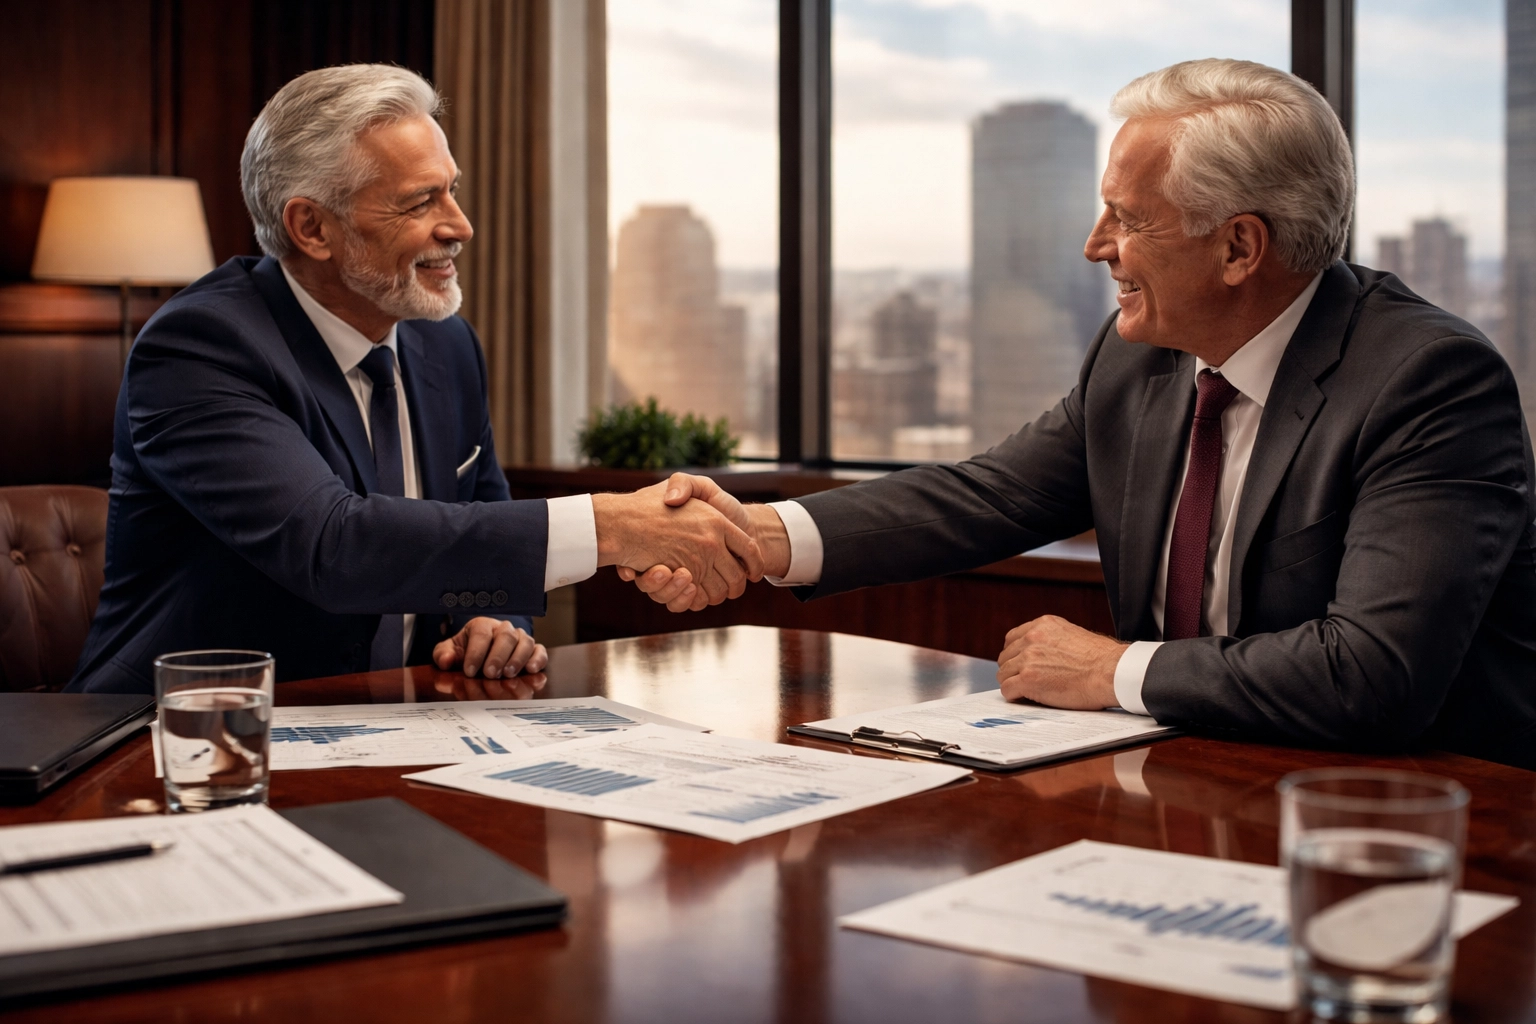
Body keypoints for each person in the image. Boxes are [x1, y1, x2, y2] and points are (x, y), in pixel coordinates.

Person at [638, 58, 1536, 769]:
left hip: (1422, 823)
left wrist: (1113, 669)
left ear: (1239, 246)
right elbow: (986, 495)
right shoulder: (1139, 355)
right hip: (1192, 779)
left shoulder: (1430, 381)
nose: (1094, 246)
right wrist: (758, 534)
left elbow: (1372, 675)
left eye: (1127, 218)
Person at [67, 64, 761, 694]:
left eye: (451, 191)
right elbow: (334, 546)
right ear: (312, 227)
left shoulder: (445, 341)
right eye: (419, 202)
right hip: (176, 740)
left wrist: (493, 618)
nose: (459, 225)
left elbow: (480, 518)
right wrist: (610, 526)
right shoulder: (199, 348)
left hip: (389, 728)